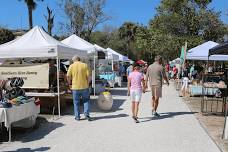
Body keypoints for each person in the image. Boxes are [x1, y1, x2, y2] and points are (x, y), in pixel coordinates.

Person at [67, 55, 91, 121]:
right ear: (79, 59)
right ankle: (87, 115)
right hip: (84, 86)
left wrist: (69, 84)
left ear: (74, 60)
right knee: (86, 101)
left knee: (76, 102)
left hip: (75, 87)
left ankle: (77, 117)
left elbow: (68, 76)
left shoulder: (71, 66)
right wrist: (88, 83)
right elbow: (89, 76)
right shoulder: (85, 65)